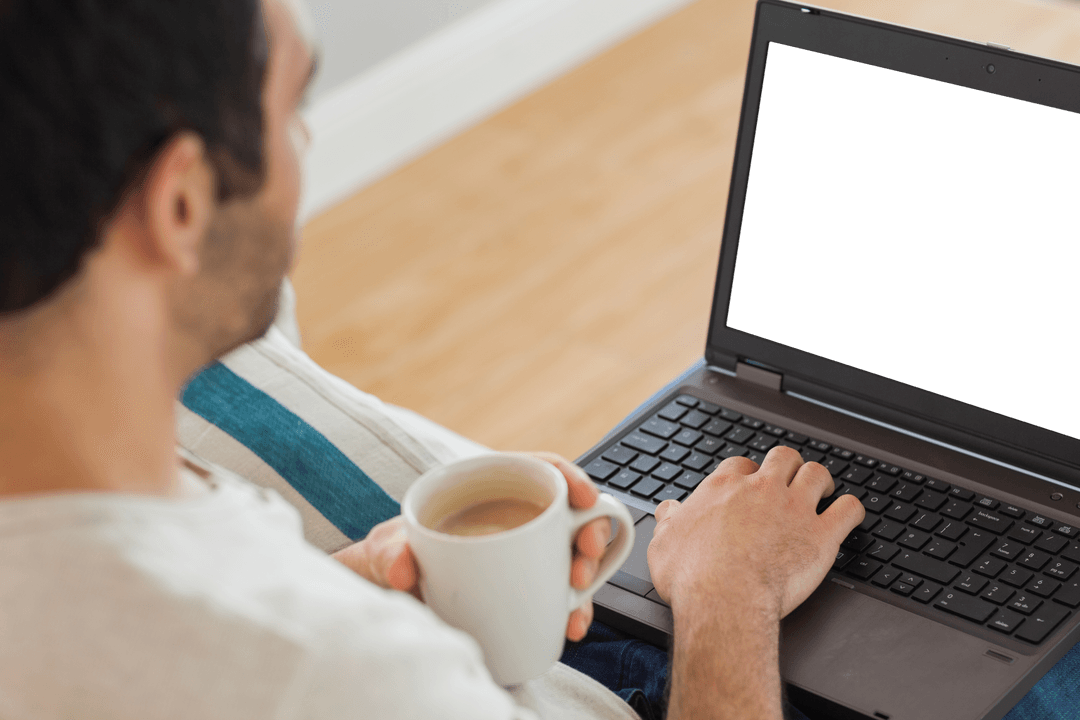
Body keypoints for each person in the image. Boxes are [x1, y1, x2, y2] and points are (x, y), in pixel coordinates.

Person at [0, 0, 867, 718]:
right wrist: (728, 593)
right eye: (290, 110)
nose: (302, 151)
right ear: (181, 202)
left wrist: (366, 579)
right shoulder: (336, 675)